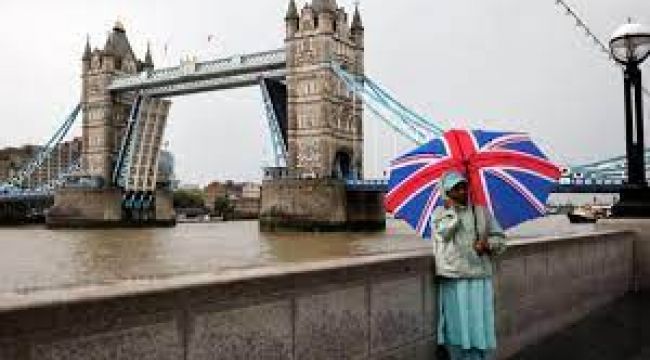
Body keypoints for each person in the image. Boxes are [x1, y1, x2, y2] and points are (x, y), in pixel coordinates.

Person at [431, 171, 506, 360]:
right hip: (454, 277)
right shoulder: (441, 214)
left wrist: (488, 244)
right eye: (456, 188)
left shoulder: (482, 212)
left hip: (480, 275)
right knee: (457, 324)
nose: (463, 191)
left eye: (464, 186)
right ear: (447, 192)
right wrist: (452, 212)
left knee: (478, 323)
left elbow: (501, 240)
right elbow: (443, 233)